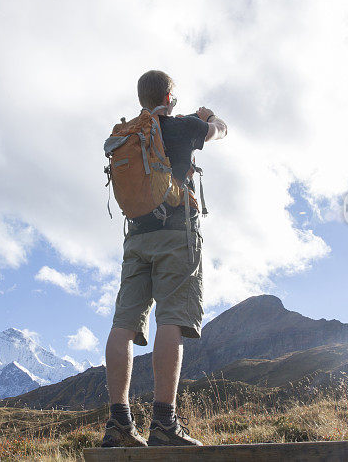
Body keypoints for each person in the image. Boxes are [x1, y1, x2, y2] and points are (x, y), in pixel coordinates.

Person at [101, 70, 228, 448]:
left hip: (136, 238)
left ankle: (119, 425)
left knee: (123, 323)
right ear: (170, 96)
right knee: (172, 319)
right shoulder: (185, 126)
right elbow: (222, 130)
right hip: (176, 236)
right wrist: (207, 116)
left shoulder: (128, 135)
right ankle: (164, 424)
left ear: (143, 99)